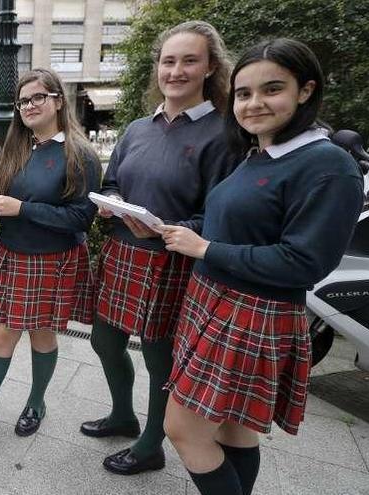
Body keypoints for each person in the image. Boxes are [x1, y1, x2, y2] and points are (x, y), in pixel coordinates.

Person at [159, 38, 364, 495]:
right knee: (234, 428)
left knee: (184, 428)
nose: (254, 104)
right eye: (244, 93)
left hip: (253, 312)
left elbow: (304, 261)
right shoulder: (259, 153)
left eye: (272, 89)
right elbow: (232, 225)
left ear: (305, 91)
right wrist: (182, 232)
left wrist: (206, 250)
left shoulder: (328, 165)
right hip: (214, 301)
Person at [80, 20, 238, 476]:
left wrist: (170, 228)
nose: (177, 70)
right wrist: (110, 204)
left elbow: (223, 213)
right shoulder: (136, 128)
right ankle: (123, 415)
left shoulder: (223, 134)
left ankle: (151, 445)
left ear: (210, 67)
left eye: (190, 60)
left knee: (157, 356)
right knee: (103, 339)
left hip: (170, 262)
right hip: (122, 253)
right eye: (169, 61)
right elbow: (114, 181)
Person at [0, 68, 101, 449]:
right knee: (2, 334)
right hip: (11, 254)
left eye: (38, 97)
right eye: (23, 101)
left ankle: (36, 402)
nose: (28, 106)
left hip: (52, 258)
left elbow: (81, 217)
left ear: (57, 100)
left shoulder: (79, 153)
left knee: (42, 333)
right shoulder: (17, 148)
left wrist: (23, 209)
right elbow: (6, 204)